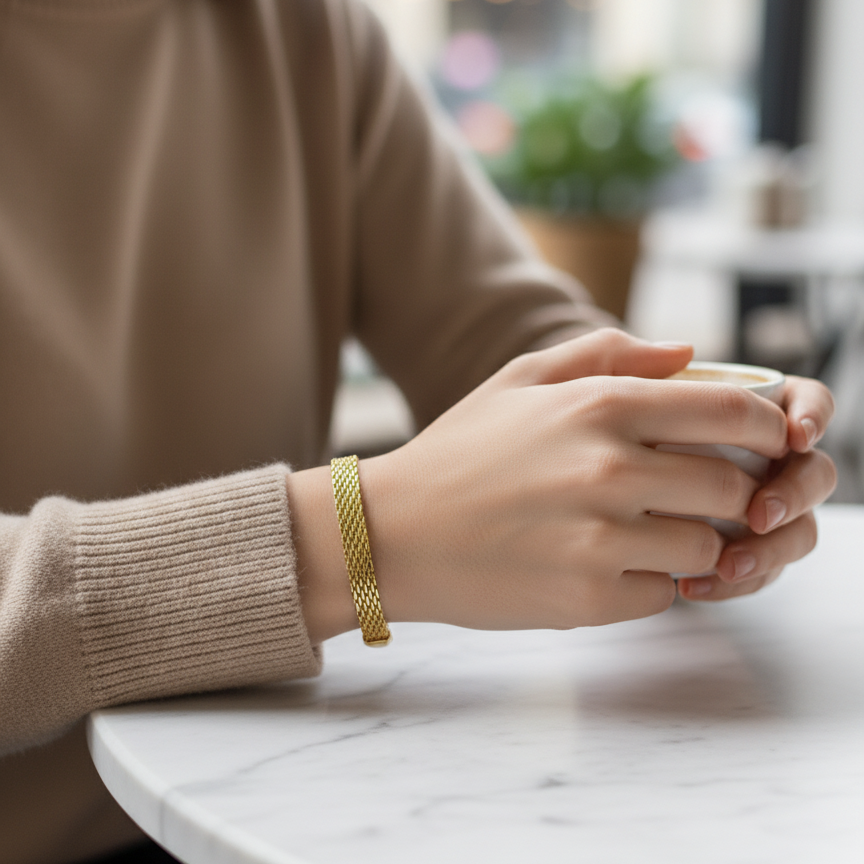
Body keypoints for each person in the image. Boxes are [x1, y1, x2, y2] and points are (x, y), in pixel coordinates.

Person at [0, 1, 836, 862]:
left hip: (262, 806)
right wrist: (357, 538)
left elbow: (492, 325)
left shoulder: (305, 30)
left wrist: (679, 433)